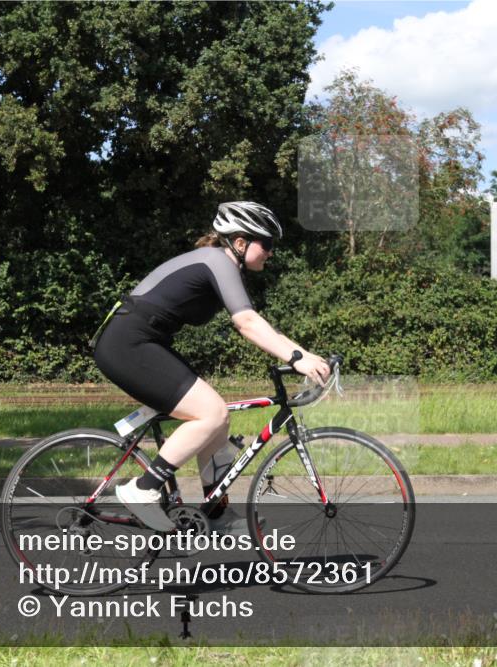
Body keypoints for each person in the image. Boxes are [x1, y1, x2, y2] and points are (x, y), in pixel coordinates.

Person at [92, 201, 331, 532]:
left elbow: (259, 323)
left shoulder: (220, 263)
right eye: (268, 244)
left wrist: (301, 352)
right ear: (241, 241)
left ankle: (215, 513)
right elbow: (246, 322)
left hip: (142, 342)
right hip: (128, 345)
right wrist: (297, 358)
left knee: (218, 421)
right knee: (212, 413)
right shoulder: (216, 260)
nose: (271, 252)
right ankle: (142, 489)